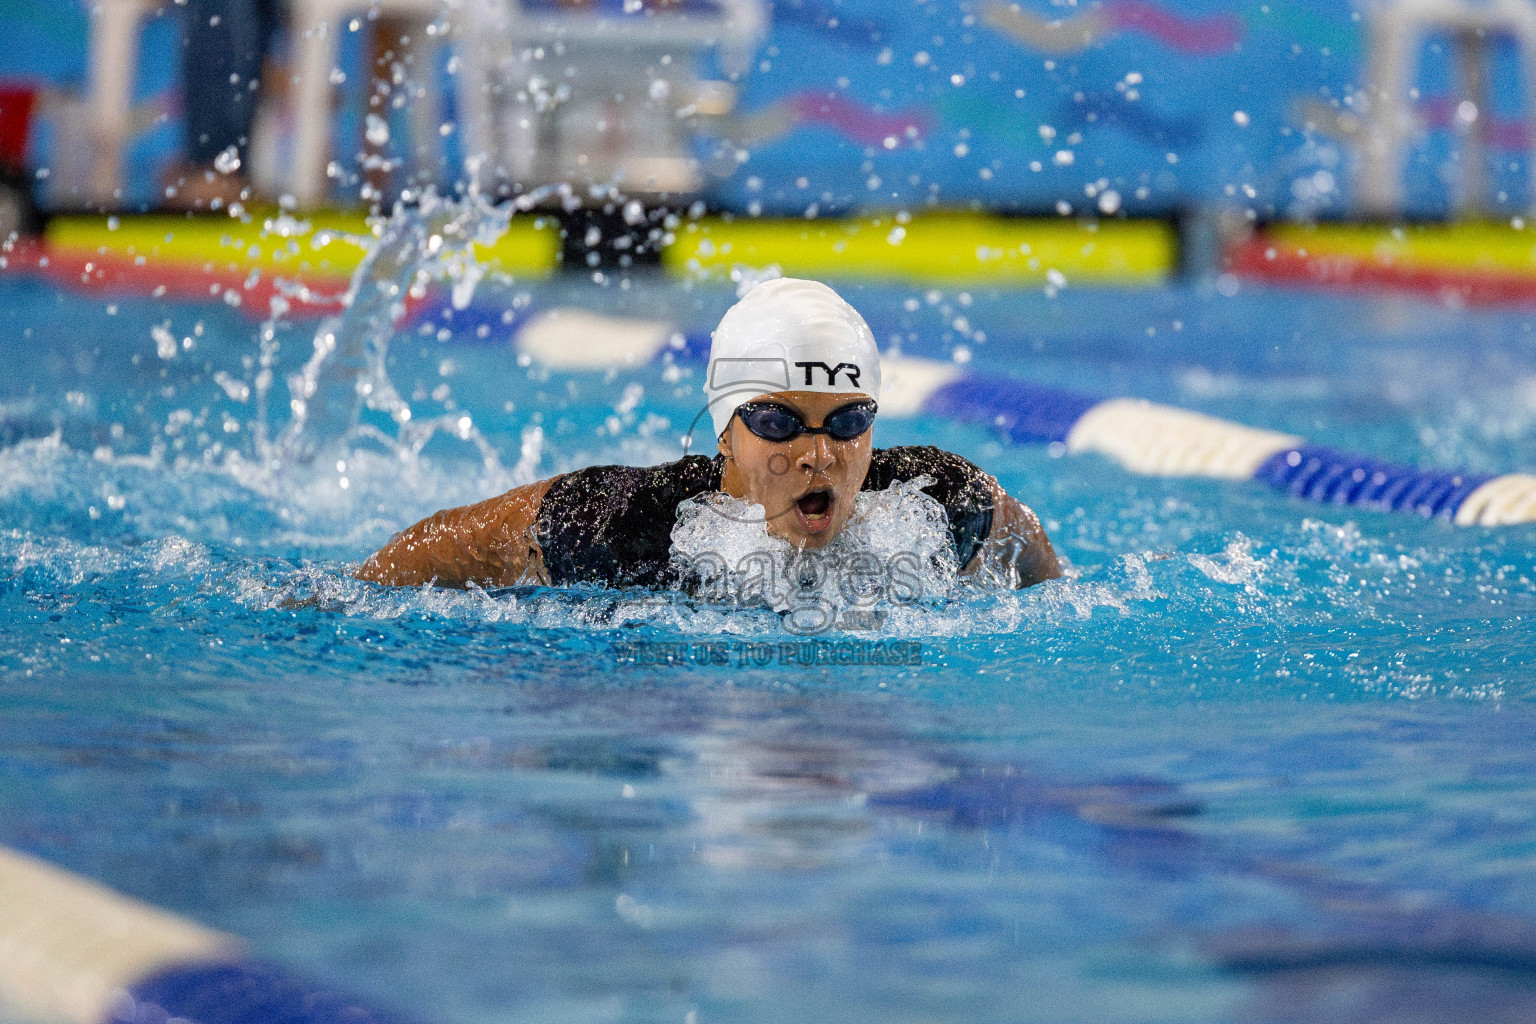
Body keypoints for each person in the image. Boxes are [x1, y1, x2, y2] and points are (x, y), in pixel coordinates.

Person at [355, 278, 1061, 593]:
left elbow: (1028, 547)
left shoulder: (937, 500)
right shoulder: (623, 521)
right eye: (780, 421)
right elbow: (438, 545)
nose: (818, 453)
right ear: (726, 433)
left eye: (847, 421)